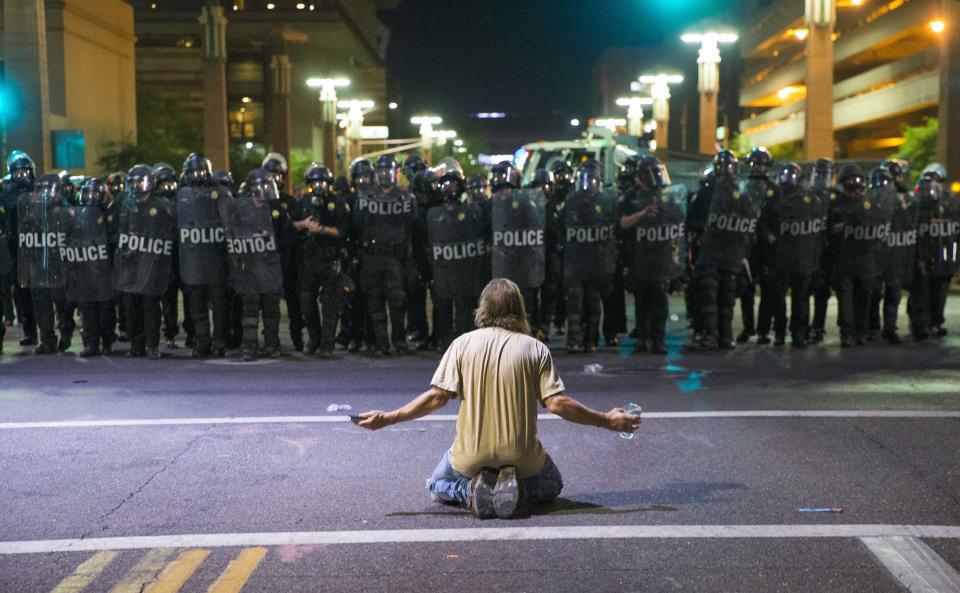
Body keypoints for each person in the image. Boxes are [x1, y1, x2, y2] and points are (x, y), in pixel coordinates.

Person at [355, 278, 641, 519]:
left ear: (483, 309)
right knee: (553, 484)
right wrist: (607, 420)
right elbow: (557, 404)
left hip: (470, 459)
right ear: (519, 309)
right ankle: (517, 489)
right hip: (522, 459)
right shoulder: (535, 349)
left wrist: (388, 418)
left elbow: (436, 398)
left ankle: (472, 489)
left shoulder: (462, 344)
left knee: (437, 485)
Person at [691, 150, 761, 350]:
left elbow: (750, 220)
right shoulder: (707, 192)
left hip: (730, 252)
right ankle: (710, 333)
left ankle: (725, 335)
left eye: (729, 165)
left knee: (727, 297)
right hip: (710, 251)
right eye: (722, 165)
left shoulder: (741, 193)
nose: (725, 170)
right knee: (709, 295)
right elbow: (693, 220)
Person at [352, 155, 418, 355]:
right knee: (374, 300)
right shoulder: (366, 196)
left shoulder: (405, 197)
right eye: (380, 172)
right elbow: (357, 223)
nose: (384, 175)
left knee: (397, 299)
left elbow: (412, 224)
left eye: (387, 171)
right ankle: (382, 343)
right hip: (372, 256)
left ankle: (399, 340)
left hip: (395, 256)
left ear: (395, 173)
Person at [619, 156, 685, 354]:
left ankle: (658, 339)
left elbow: (678, 224)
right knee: (642, 299)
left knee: (659, 299)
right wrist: (642, 213)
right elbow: (623, 223)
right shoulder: (630, 197)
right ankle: (643, 337)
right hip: (640, 255)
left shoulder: (666, 196)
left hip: (661, 254)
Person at [113, 164, 177, 359]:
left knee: (150, 307)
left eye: (139, 182)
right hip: (131, 265)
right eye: (132, 182)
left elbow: (171, 234)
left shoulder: (162, 206)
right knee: (132, 308)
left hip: (152, 266)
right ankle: (136, 344)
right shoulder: (123, 204)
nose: (136, 186)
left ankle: (152, 344)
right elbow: (113, 229)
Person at [221, 169, 285, 361]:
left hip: (270, 265)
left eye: (265, 185)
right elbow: (232, 233)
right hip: (249, 266)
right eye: (257, 186)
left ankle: (272, 344)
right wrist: (251, 236)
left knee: (272, 308)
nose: (261, 190)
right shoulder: (241, 209)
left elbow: (286, 234)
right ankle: (249, 345)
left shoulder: (276, 208)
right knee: (250, 308)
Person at [761, 163, 826, 347]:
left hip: (801, 258)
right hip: (781, 257)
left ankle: (798, 333)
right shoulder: (774, 198)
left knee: (800, 299)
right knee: (780, 299)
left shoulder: (810, 200)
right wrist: (770, 237)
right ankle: (780, 333)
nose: (788, 179)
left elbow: (818, 231)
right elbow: (762, 222)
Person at [426, 170, 489, 350]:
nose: (450, 190)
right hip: (444, 269)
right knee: (444, 306)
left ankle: (465, 343)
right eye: (447, 185)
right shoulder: (433, 214)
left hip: (463, 269)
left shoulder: (471, 211)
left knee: (464, 306)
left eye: (454, 185)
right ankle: (445, 342)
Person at [561, 161, 618, 353]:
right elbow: (561, 227)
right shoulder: (572, 201)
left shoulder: (604, 201)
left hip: (595, 261)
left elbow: (613, 228)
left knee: (593, 303)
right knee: (575, 303)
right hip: (578, 261)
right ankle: (575, 340)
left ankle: (591, 340)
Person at [830, 165, 890, 347]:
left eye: (857, 180)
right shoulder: (836, 205)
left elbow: (880, 230)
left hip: (866, 261)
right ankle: (847, 332)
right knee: (846, 300)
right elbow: (828, 232)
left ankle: (861, 330)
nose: (854, 184)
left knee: (864, 297)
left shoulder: (870, 204)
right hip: (845, 260)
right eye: (850, 180)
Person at [177, 153, 229, 358]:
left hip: (216, 260)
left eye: (201, 171)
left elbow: (229, 223)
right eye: (193, 172)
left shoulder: (221, 194)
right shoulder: (182, 196)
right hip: (193, 261)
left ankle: (219, 342)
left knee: (219, 306)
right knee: (197, 306)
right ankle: (203, 341)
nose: (197, 176)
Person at [297, 163, 352, 356]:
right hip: (308, 261)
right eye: (314, 183)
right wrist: (303, 225)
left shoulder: (336, 203)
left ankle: (327, 345)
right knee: (306, 302)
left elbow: (343, 232)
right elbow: (291, 227)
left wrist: (321, 229)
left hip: (330, 260)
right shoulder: (303, 202)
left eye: (322, 183)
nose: (318, 187)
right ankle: (314, 339)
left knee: (330, 305)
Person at [61, 179, 116, 356]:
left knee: (105, 311)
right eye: (87, 194)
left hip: (103, 271)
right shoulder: (77, 215)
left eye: (94, 194)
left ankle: (107, 340)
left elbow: (115, 240)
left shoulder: (109, 216)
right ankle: (91, 344)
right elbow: (68, 237)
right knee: (87, 309)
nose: (90, 198)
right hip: (84, 269)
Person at [489, 160, 545, 334]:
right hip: (503, 263)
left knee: (527, 299)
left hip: (524, 261)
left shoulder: (525, 203)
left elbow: (536, 227)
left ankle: (531, 332)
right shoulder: (490, 205)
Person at [910, 167, 958, 340]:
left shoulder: (949, 208)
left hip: (943, 261)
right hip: (923, 260)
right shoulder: (916, 210)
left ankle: (935, 323)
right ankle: (921, 325)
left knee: (939, 295)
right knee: (922, 294)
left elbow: (954, 237)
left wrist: (954, 262)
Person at [263, 152, 305, 352]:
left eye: (278, 176)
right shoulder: (259, 202)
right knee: (267, 302)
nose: (274, 180)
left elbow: (298, 227)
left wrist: (293, 226)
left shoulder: (290, 202)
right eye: (270, 176)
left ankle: (298, 338)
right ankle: (270, 339)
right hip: (267, 259)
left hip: (288, 258)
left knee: (294, 302)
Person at [738, 147, 779, 344]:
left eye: (762, 165)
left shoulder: (774, 190)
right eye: (755, 164)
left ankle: (763, 330)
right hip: (747, 244)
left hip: (767, 246)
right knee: (746, 288)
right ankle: (748, 327)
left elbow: (778, 217)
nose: (758, 168)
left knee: (768, 288)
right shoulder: (743, 188)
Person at [807, 158, 839, 343]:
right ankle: (804, 326)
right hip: (810, 247)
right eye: (818, 173)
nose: (821, 178)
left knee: (822, 291)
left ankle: (817, 327)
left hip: (828, 250)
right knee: (804, 289)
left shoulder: (835, 197)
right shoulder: (807, 195)